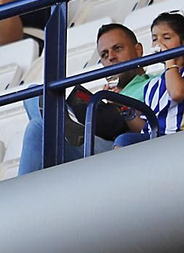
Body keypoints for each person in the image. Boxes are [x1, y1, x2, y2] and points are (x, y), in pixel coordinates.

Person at [18, 23, 150, 174]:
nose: (111, 57)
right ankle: (67, 125)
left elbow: (153, 129)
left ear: (138, 50)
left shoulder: (154, 82)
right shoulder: (105, 96)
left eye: (118, 48)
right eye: (104, 55)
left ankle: (64, 124)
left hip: (119, 151)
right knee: (33, 94)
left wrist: (121, 105)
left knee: (39, 127)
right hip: (88, 145)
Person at [113, 13, 184, 146]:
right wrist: (125, 109)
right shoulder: (153, 83)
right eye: (154, 39)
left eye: (166, 38)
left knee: (124, 141)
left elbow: (177, 93)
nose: (159, 44)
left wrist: (169, 61)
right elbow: (146, 128)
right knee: (124, 140)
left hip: (183, 141)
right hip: (156, 143)